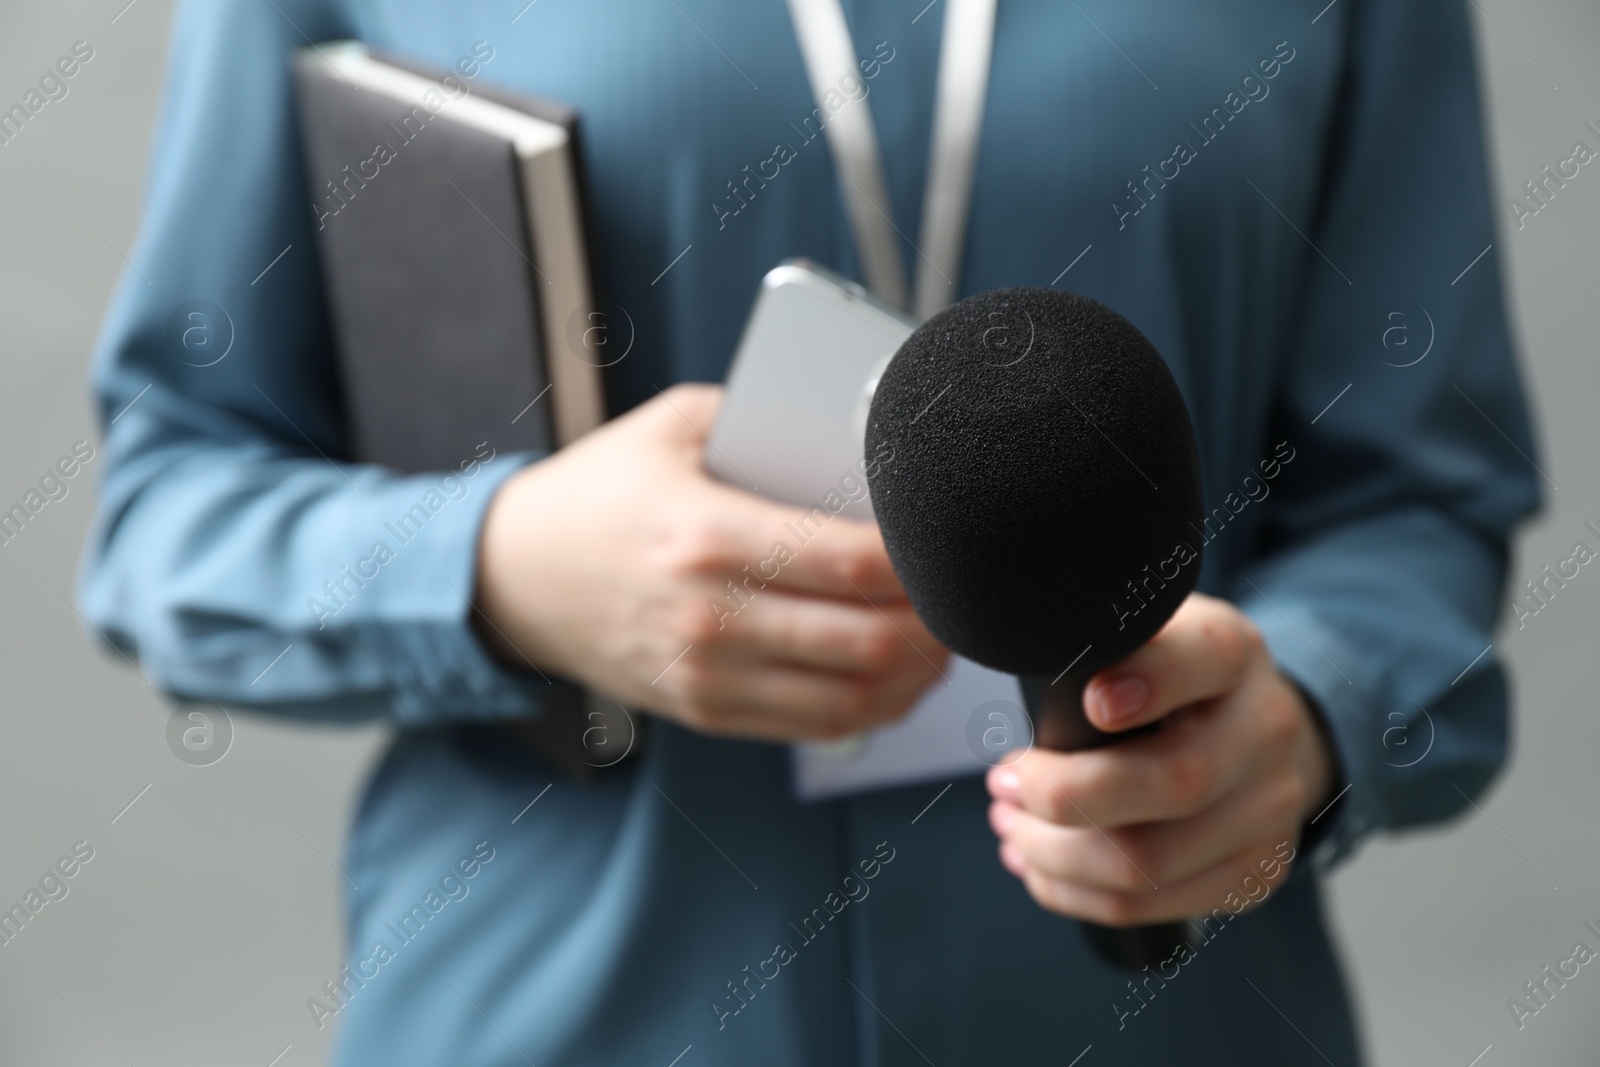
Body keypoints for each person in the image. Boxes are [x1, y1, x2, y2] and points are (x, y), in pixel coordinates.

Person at [80, 0, 1539, 1063]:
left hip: (1161, 1017)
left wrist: (1306, 719)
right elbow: (171, 513)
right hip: (559, 1018)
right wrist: (505, 565)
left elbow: (1419, 499)